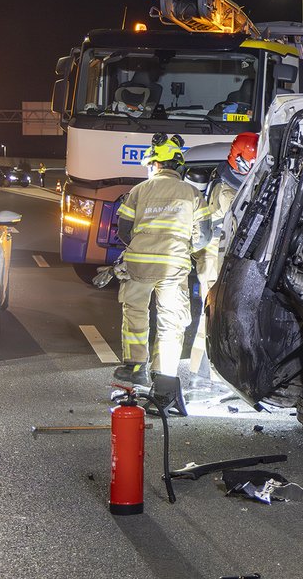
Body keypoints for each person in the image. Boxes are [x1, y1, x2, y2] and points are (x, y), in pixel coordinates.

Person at [114, 133, 210, 413]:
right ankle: (164, 379)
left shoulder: (139, 190)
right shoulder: (192, 193)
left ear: (156, 164)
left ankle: (135, 367)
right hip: (173, 266)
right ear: (178, 166)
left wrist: (140, 247)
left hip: (138, 264)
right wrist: (181, 249)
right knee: (170, 323)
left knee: (135, 313)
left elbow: (123, 230)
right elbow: (203, 237)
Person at [191, 131, 258, 304]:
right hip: (213, 249)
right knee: (212, 297)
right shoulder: (225, 191)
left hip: (225, 247)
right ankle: (204, 331)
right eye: (251, 161)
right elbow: (240, 217)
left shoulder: (227, 176)